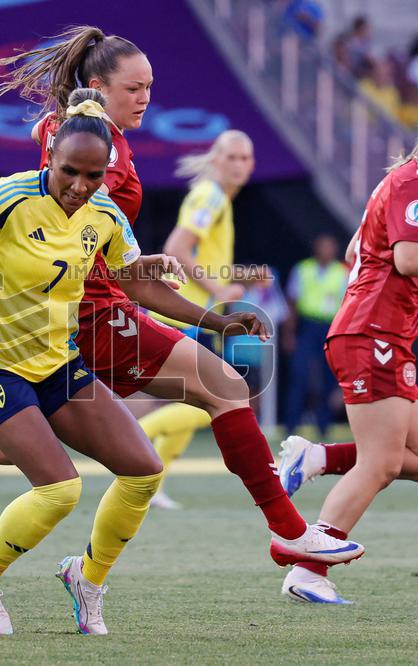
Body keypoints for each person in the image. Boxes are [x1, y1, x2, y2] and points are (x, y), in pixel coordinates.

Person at [0, 30, 365, 579]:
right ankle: (287, 531)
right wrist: (195, 299)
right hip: (92, 314)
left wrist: (147, 268)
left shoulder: (78, 137)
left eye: (150, 88)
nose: (145, 98)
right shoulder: (90, 153)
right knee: (223, 388)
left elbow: (98, 238)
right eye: (133, 88)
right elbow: (79, 226)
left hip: (85, 306)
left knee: (23, 438)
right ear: (96, 88)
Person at [275, 100, 418, 604]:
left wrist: (417, 299)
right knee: (380, 462)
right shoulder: (415, 184)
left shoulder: (404, 183)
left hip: (383, 334)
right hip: (371, 337)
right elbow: (407, 257)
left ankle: (316, 455)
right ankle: (309, 569)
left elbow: (359, 254)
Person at [138, 130, 265, 509]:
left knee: (199, 402)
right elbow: (176, 249)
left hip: (195, 315)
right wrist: (221, 290)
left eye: (245, 158)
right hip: (187, 315)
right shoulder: (210, 196)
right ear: (216, 160)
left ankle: (151, 481)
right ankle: (130, 443)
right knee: (223, 395)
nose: (240, 165)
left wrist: (238, 276)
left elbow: (205, 262)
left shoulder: (217, 199)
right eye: (232, 157)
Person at [282, 235, 348, 440]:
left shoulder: (342, 272)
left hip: (331, 327)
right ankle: (291, 424)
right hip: (307, 326)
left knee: (329, 379)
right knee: (299, 375)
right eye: (322, 246)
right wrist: (289, 333)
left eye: (329, 246)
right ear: (316, 248)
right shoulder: (303, 269)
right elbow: (291, 303)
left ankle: (324, 425)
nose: (326, 250)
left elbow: (348, 305)